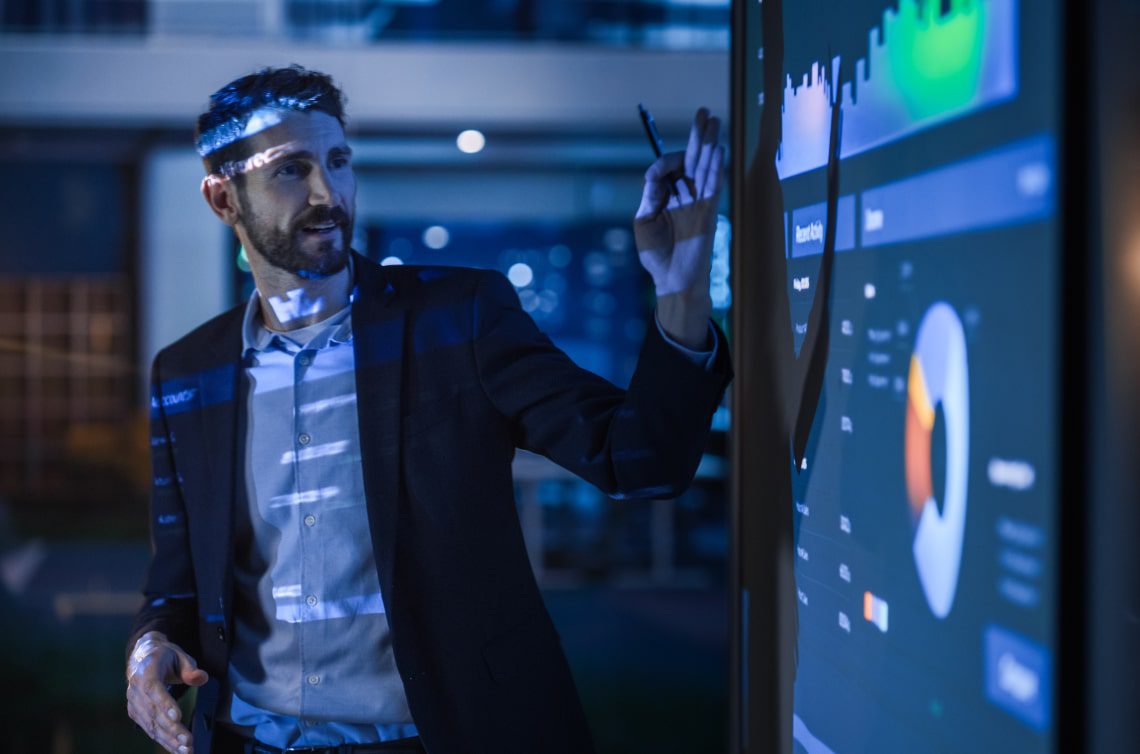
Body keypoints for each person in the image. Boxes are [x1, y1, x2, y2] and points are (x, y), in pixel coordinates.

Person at [125, 65, 732, 754]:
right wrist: (149, 649)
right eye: (291, 170)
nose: (328, 192)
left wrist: (680, 294)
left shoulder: (458, 321)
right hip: (246, 740)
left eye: (338, 160)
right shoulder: (188, 373)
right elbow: (178, 578)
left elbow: (641, 459)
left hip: (441, 738)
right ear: (222, 198)